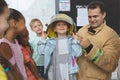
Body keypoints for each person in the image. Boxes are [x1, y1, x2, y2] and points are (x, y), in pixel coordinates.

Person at [77, 1, 120, 80]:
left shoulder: (111, 35)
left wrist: (89, 48)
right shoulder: (81, 31)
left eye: (95, 16)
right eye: (89, 17)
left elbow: (111, 65)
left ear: (104, 15)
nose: (92, 19)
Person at [37, 13, 83, 80]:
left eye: (64, 24)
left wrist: (75, 41)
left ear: (68, 28)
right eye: (59, 25)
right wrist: (43, 39)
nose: (61, 27)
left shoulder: (72, 41)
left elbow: (78, 53)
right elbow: (41, 51)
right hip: (54, 69)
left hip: (69, 69)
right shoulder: (51, 42)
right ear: (54, 29)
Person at [0, 8, 27, 80]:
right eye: (24, 23)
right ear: (14, 23)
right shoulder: (4, 45)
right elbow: (8, 69)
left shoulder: (15, 41)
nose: (25, 26)